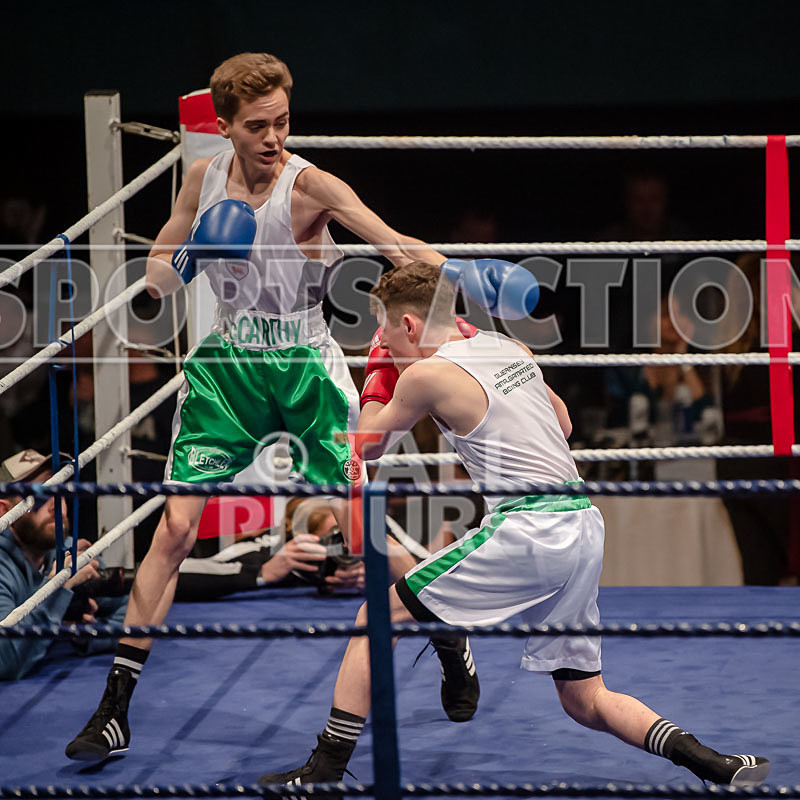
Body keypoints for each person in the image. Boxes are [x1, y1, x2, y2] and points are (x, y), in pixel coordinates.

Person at [64, 52, 539, 761]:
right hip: (229, 367)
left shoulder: (309, 185)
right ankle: (114, 708)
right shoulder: (203, 176)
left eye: (283, 121)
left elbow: (389, 243)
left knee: (365, 532)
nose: (274, 137)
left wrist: (459, 272)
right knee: (172, 531)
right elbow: (164, 254)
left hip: (306, 368)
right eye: (257, 125)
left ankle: (447, 629)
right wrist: (169, 274)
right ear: (223, 125)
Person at [259, 262, 770, 788]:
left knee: (377, 616)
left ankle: (323, 777)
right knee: (584, 697)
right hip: (584, 526)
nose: (385, 341)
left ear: (408, 327)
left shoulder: (422, 375)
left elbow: (363, 449)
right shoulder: (509, 348)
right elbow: (564, 424)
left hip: (529, 527)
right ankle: (714, 762)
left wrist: (376, 373)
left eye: (385, 331)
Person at [0, 449, 128, 680]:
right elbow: (4, 660)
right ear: (4, 510)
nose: (55, 504)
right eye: (38, 495)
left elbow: (133, 609)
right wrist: (57, 589)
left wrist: (86, 636)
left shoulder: (65, 549)